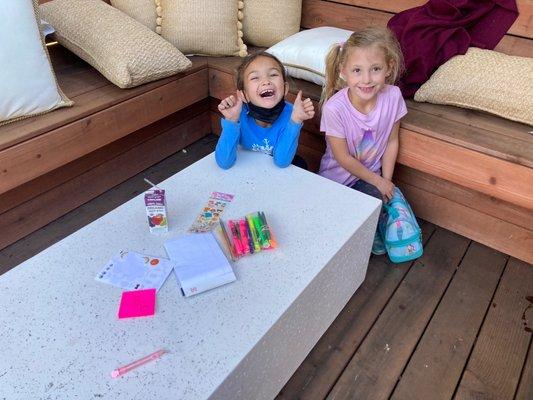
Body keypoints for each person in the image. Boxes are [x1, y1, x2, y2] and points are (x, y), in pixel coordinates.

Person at [318, 27, 407, 255]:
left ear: (388, 67)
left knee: (381, 200)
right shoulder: (334, 109)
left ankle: (370, 227)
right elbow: (343, 158)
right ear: (343, 71)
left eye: (375, 69)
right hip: (335, 182)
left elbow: (391, 141)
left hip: (369, 181)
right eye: (357, 70)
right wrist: (379, 183)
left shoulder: (393, 97)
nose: (366, 79)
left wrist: (386, 182)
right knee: (336, 221)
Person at [215, 52, 315, 169]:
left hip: (277, 168)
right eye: (255, 77)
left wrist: (296, 120)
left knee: (300, 164)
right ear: (243, 95)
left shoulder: (293, 114)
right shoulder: (238, 114)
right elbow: (224, 163)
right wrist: (231, 120)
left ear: (285, 88)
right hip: (248, 167)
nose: (266, 81)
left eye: (273, 74)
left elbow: (281, 162)